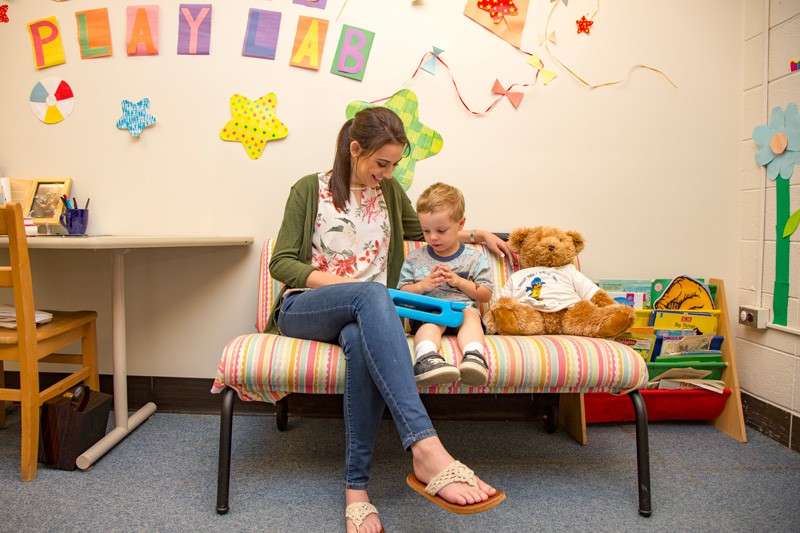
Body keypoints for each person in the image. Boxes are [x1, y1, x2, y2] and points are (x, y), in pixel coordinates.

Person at [268, 107, 511, 533]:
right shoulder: (310, 189)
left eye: (395, 164)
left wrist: (480, 234)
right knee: (371, 293)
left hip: (370, 317)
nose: (389, 172)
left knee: (363, 338)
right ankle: (426, 448)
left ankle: (356, 490)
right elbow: (282, 262)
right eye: (382, 163)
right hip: (307, 306)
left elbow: (428, 229)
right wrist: (345, 285)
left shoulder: (389, 193)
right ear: (355, 149)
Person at [397, 182, 493, 387]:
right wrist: (422, 286)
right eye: (426, 230)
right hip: (429, 312)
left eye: (441, 230)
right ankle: (427, 358)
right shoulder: (415, 258)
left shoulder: (474, 258)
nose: (433, 237)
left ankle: (474, 356)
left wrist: (459, 282)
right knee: (432, 320)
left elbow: (485, 294)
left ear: (460, 224)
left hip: (462, 311)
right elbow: (402, 292)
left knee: (470, 314)